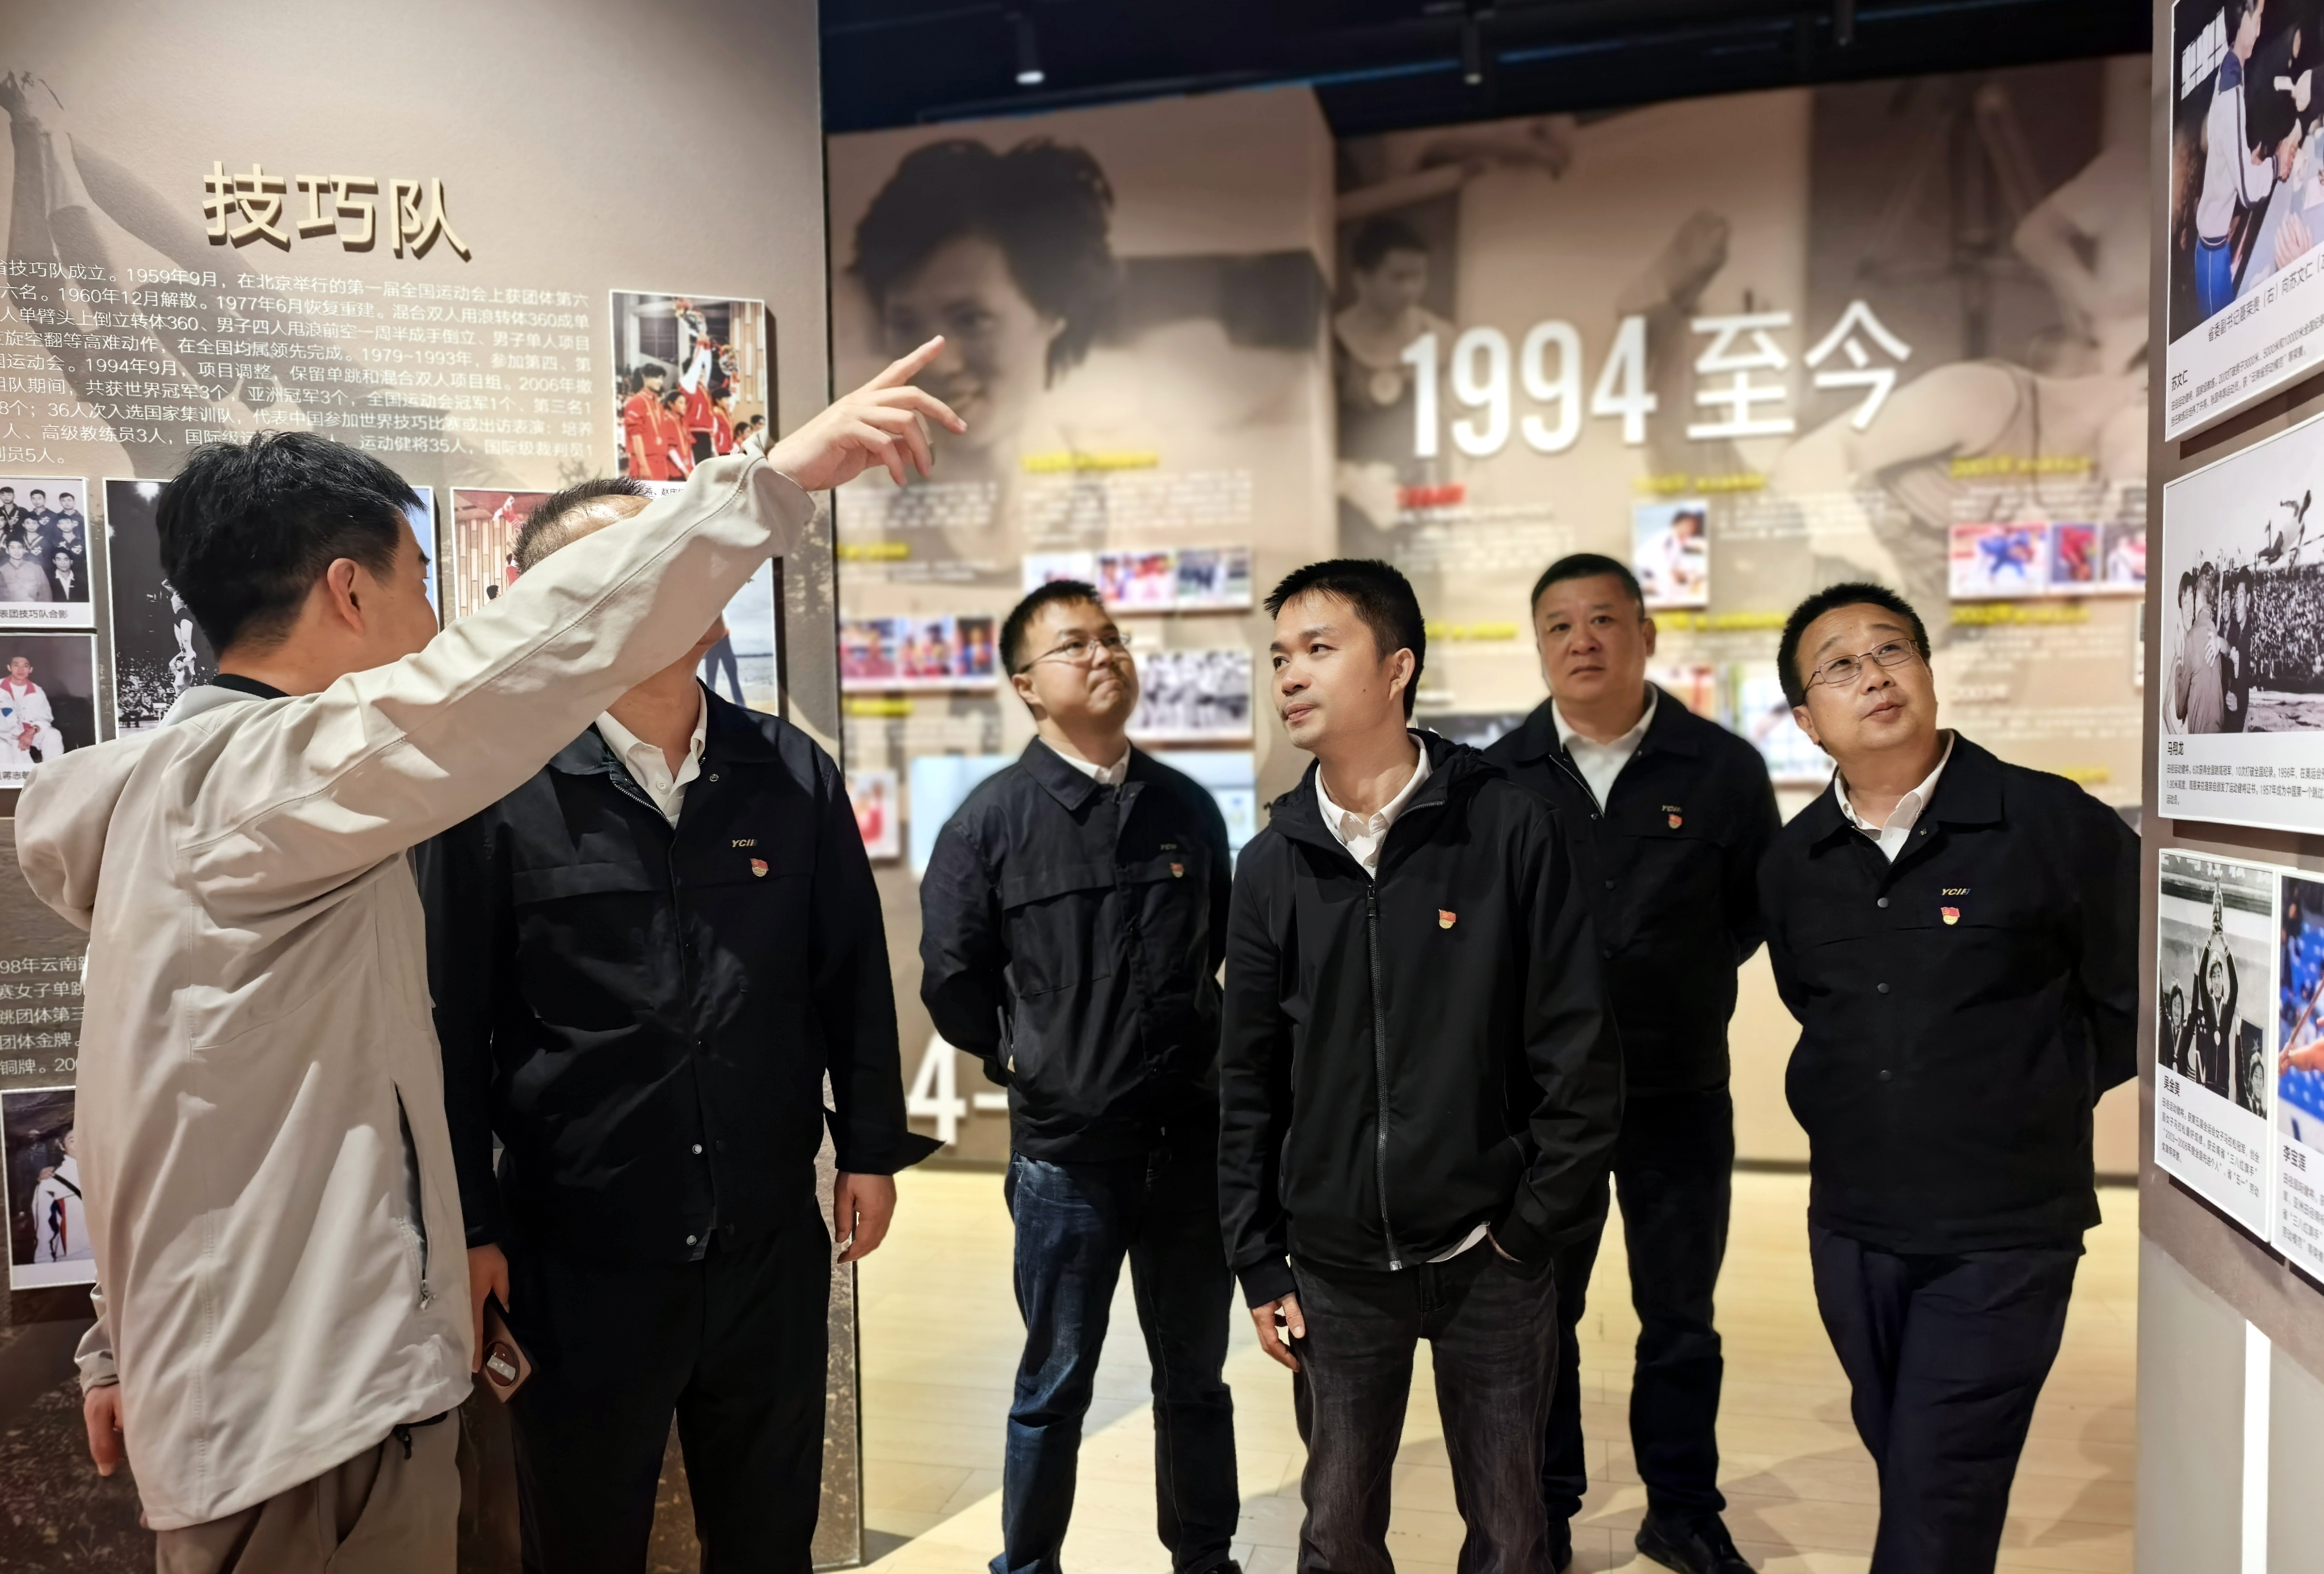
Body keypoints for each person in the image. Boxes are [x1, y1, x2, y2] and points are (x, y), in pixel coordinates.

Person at [19, 340, 963, 1571]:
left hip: (323, 1386)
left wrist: (110, 1339)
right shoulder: (260, 788)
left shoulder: (208, 801)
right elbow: (515, 669)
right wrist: (772, 479)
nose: (440, 620)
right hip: (306, 1414)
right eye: (421, 580)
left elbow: (126, 1101)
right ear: (349, 592)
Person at [418, 477, 938, 1573]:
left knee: (768, 1536)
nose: (691, 573)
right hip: (577, 1255)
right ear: (566, 600)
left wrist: (871, 1147)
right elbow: (449, 1028)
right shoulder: (498, 787)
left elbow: (849, 973)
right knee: (581, 1541)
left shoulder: (788, 768)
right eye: (648, 558)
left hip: (766, 1241)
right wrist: (470, 1224)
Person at [1218, 559, 1622, 1567]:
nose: (1290, 675)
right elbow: (1249, 1078)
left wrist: (1531, 1226)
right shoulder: (1271, 863)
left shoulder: (1509, 824)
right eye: (1280, 655)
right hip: (1335, 1265)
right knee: (1338, 1528)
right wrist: (1259, 1257)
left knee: (1513, 1529)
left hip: (1493, 1251)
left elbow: (1576, 1045)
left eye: (1319, 648)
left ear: (1396, 668)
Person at [1758, 582, 2137, 1574]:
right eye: (1839, 665)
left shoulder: (2048, 820)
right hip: (1852, 1223)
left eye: (1892, 650)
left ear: (1927, 670)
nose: (1873, 675)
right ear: (1806, 719)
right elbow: (1814, 1003)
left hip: (2003, 1228)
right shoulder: (1794, 860)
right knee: (1912, 1462)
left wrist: (2035, 1089)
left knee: (1939, 1488)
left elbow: (2136, 996)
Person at [919, 579, 1242, 1574]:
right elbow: (953, 979)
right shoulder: (989, 822)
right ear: (1026, 682)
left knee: (1197, 1378)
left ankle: (1205, 1559)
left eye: (1113, 638)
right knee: (1053, 1382)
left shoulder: (1185, 806)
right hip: (1067, 1157)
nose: (1104, 655)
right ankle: (1028, 1564)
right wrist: (1034, 1062)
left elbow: (1218, 945)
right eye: (1074, 644)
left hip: (1186, 1144)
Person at [1482, 554, 1779, 1574]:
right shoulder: (1501, 775)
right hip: (1543, 1101)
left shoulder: (1721, 767)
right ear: (1539, 644)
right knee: (1542, 1315)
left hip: (1679, 1089)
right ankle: (1547, 1504)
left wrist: (1673, 982)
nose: (1582, 640)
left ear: (1645, 633)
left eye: (1604, 618)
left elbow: (1749, 913)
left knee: (1681, 1316)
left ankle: (1682, 1509)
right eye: (1559, 624)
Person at [2195, 0, 2283, 321]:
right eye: (2256, 19)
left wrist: (2247, 160)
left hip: (2215, 246)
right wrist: (2276, 165)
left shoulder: (2231, 71)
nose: (2258, 30)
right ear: (2241, 20)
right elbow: (2248, 192)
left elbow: (2223, 149)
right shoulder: (2231, 89)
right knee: (2219, 334)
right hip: (2212, 256)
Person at [30, 1122, 90, 1263]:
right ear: (62, 1146)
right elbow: (44, 1230)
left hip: (109, 1254)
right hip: (74, 1257)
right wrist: (43, 1264)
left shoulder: (107, 1176)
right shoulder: (50, 1184)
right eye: (73, 1140)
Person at [0, 653, 66, 773]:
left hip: (30, 732)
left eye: (25, 666)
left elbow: (45, 718)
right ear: (9, 668)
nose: (21, 670)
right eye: (16, 665)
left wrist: (32, 731)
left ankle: (52, 774)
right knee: (10, 753)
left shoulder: (37, 691)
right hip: (4, 734)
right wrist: (16, 732)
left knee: (53, 735)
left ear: (30, 670)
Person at [622, 365, 673, 481]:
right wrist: (643, 465)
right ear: (645, 377)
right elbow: (636, 436)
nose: (660, 382)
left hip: (660, 461)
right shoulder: (636, 402)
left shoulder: (658, 405)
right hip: (644, 461)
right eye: (656, 378)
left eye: (662, 378)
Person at [0, 537, 52, 602]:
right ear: (7, 551)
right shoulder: (2, 570)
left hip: (33, 607)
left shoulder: (36, 568)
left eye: (20, 548)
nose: (17, 551)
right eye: (13, 548)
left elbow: (46, 594)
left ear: (24, 550)